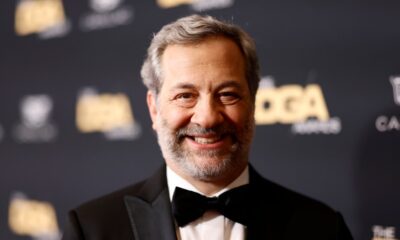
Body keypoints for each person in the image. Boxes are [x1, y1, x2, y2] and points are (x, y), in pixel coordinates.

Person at [62, 14, 353, 240]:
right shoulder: (93, 229)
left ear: (252, 103)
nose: (207, 118)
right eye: (185, 96)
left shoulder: (321, 228)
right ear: (154, 108)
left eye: (227, 94)